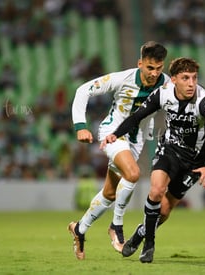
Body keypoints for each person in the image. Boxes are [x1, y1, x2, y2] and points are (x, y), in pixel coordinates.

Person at [102, 57, 205, 263]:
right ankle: (149, 244)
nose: (191, 83)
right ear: (174, 80)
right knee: (157, 190)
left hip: (195, 163)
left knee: (166, 209)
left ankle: (141, 233)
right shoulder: (163, 93)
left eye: (194, 78)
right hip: (169, 149)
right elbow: (136, 116)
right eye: (185, 78)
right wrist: (115, 134)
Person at [67, 41, 169, 260]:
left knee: (110, 193)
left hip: (136, 141)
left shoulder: (167, 85)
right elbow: (83, 90)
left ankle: (79, 229)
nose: (154, 73)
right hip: (112, 134)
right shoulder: (121, 78)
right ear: (140, 63)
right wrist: (80, 126)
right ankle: (117, 225)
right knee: (133, 174)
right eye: (150, 68)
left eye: (159, 68)